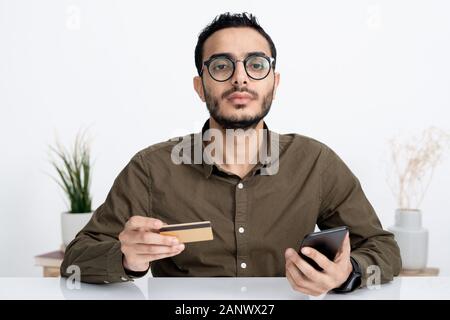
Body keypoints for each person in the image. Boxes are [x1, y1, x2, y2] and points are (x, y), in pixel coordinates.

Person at [61, 12, 401, 296]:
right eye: (222, 66)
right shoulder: (151, 170)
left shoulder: (316, 163)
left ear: (274, 83)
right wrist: (126, 258)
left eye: (256, 65)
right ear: (200, 86)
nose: (240, 79)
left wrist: (348, 273)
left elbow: (383, 248)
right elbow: (75, 260)